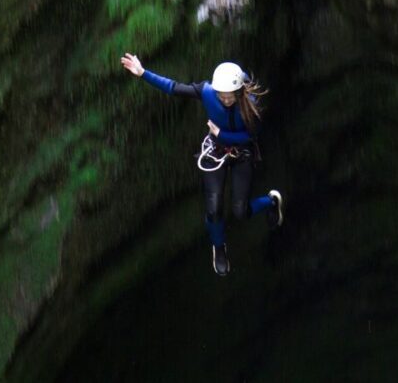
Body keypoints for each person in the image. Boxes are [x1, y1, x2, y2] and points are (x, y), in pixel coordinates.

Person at [121, 52, 284, 276]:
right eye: (221, 96)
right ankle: (219, 247)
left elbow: (251, 136)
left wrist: (221, 134)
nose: (225, 100)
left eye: (230, 97)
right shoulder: (207, 92)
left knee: (240, 211)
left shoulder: (250, 104)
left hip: (242, 154)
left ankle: (271, 202)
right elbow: (174, 87)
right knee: (213, 209)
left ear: (239, 92)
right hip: (214, 152)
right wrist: (143, 73)